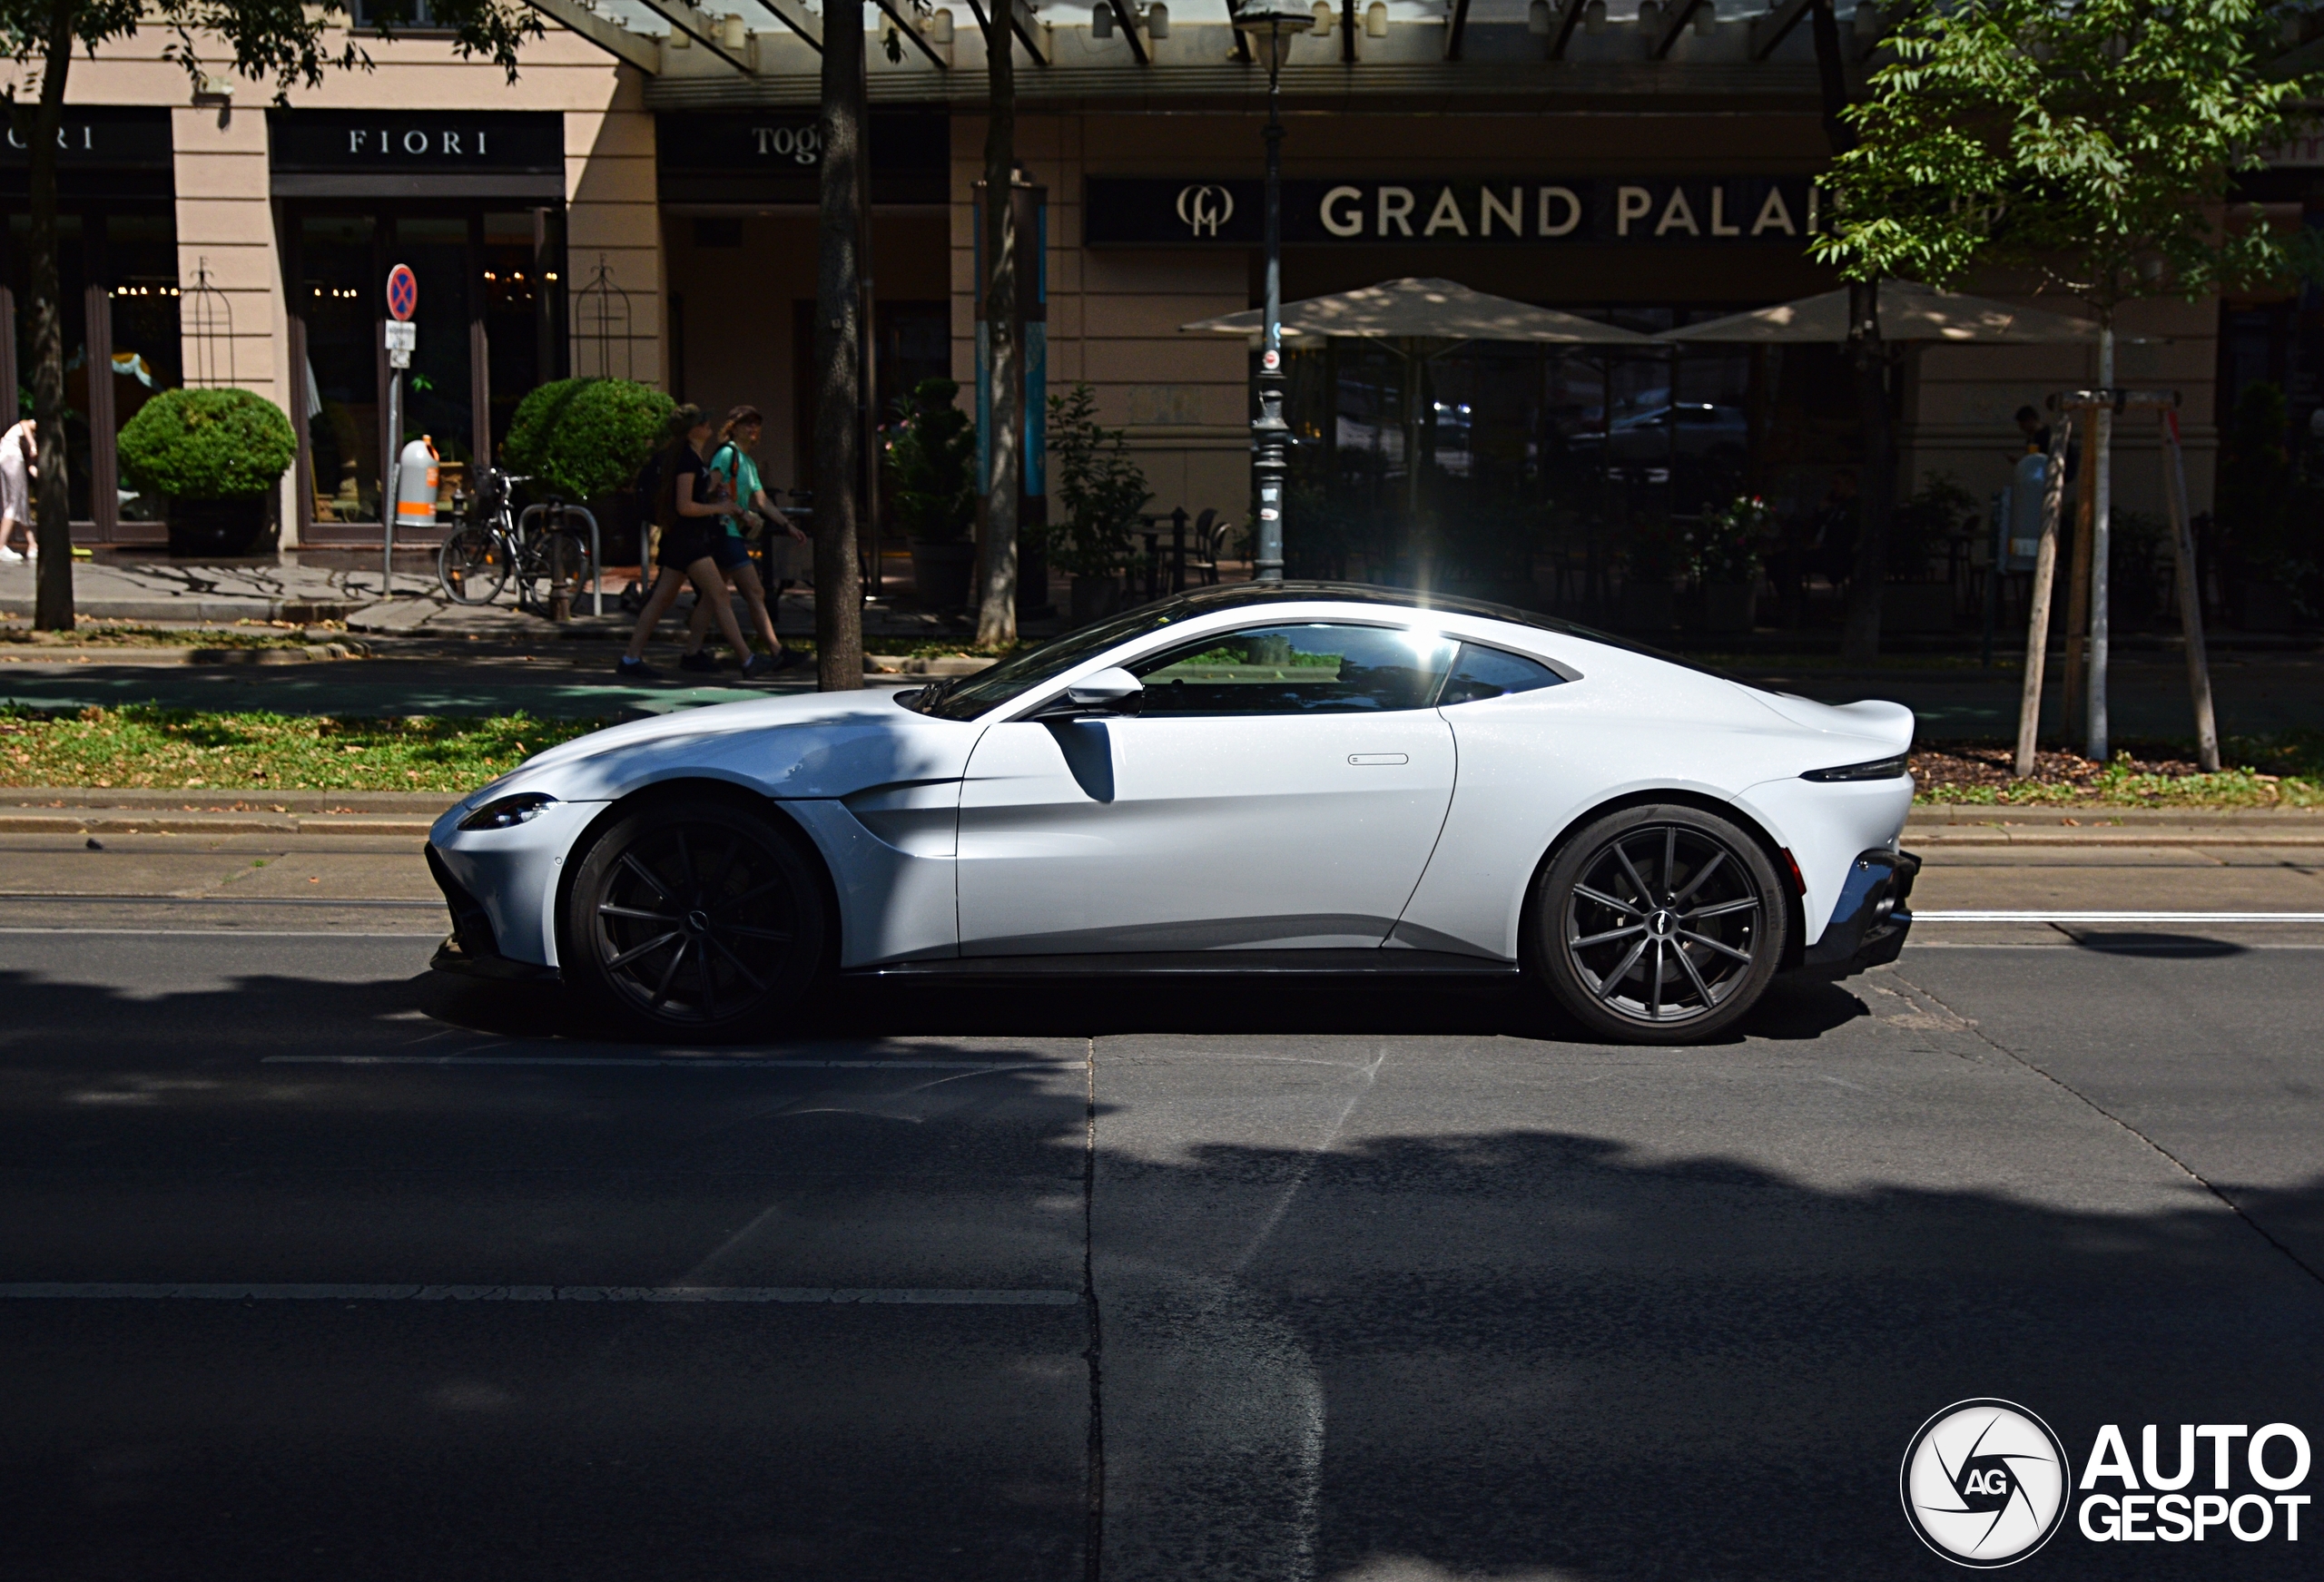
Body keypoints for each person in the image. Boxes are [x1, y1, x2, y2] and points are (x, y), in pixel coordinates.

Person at [616, 406, 769, 680]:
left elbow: (693, 496)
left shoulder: (690, 457)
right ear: (692, 430)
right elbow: (685, 506)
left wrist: (715, 492)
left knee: (662, 599)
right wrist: (720, 509)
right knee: (719, 594)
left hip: (680, 539)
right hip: (687, 540)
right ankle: (747, 660)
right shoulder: (686, 459)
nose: (709, 425)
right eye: (703, 422)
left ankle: (631, 657)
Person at [676, 405, 806, 674]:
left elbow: (762, 500)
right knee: (756, 591)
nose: (752, 428)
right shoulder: (727, 454)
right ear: (732, 426)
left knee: (712, 597)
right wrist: (735, 508)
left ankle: (692, 653)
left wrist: (786, 525)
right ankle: (776, 650)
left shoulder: (747, 461)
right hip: (724, 532)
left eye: (756, 423)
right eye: (746, 423)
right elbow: (709, 488)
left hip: (731, 532)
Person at [0, 418, 35, 564]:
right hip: (12, 456)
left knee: (20, 501)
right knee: (14, 503)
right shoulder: (39, 424)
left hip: (9, 456)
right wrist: (33, 445)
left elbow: (31, 465)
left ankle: (32, 544)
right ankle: (1, 547)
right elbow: (24, 423)